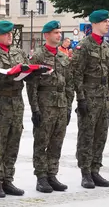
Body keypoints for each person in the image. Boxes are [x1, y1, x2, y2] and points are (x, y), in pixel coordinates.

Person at [0, 21, 28, 198]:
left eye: (11, 33)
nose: (10, 36)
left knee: (13, 142)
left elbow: (25, 71)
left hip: (16, 102)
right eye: (6, 33)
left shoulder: (19, 52)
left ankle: (8, 179)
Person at [27, 20, 74, 193]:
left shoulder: (63, 56)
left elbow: (69, 83)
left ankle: (52, 174)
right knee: (42, 142)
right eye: (55, 32)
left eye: (60, 32)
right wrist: (35, 109)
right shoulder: (38, 56)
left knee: (57, 142)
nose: (59, 35)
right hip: (45, 105)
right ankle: (41, 177)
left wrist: (69, 105)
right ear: (46, 35)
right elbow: (31, 85)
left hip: (61, 105)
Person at [72, 9, 109, 189]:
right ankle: (85, 172)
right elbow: (77, 74)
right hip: (89, 98)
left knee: (100, 135)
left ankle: (95, 169)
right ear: (95, 23)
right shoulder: (84, 46)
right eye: (105, 21)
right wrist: (81, 99)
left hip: (104, 97)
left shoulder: (107, 47)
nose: (108, 24)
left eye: (108, 21)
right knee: (87, 136)